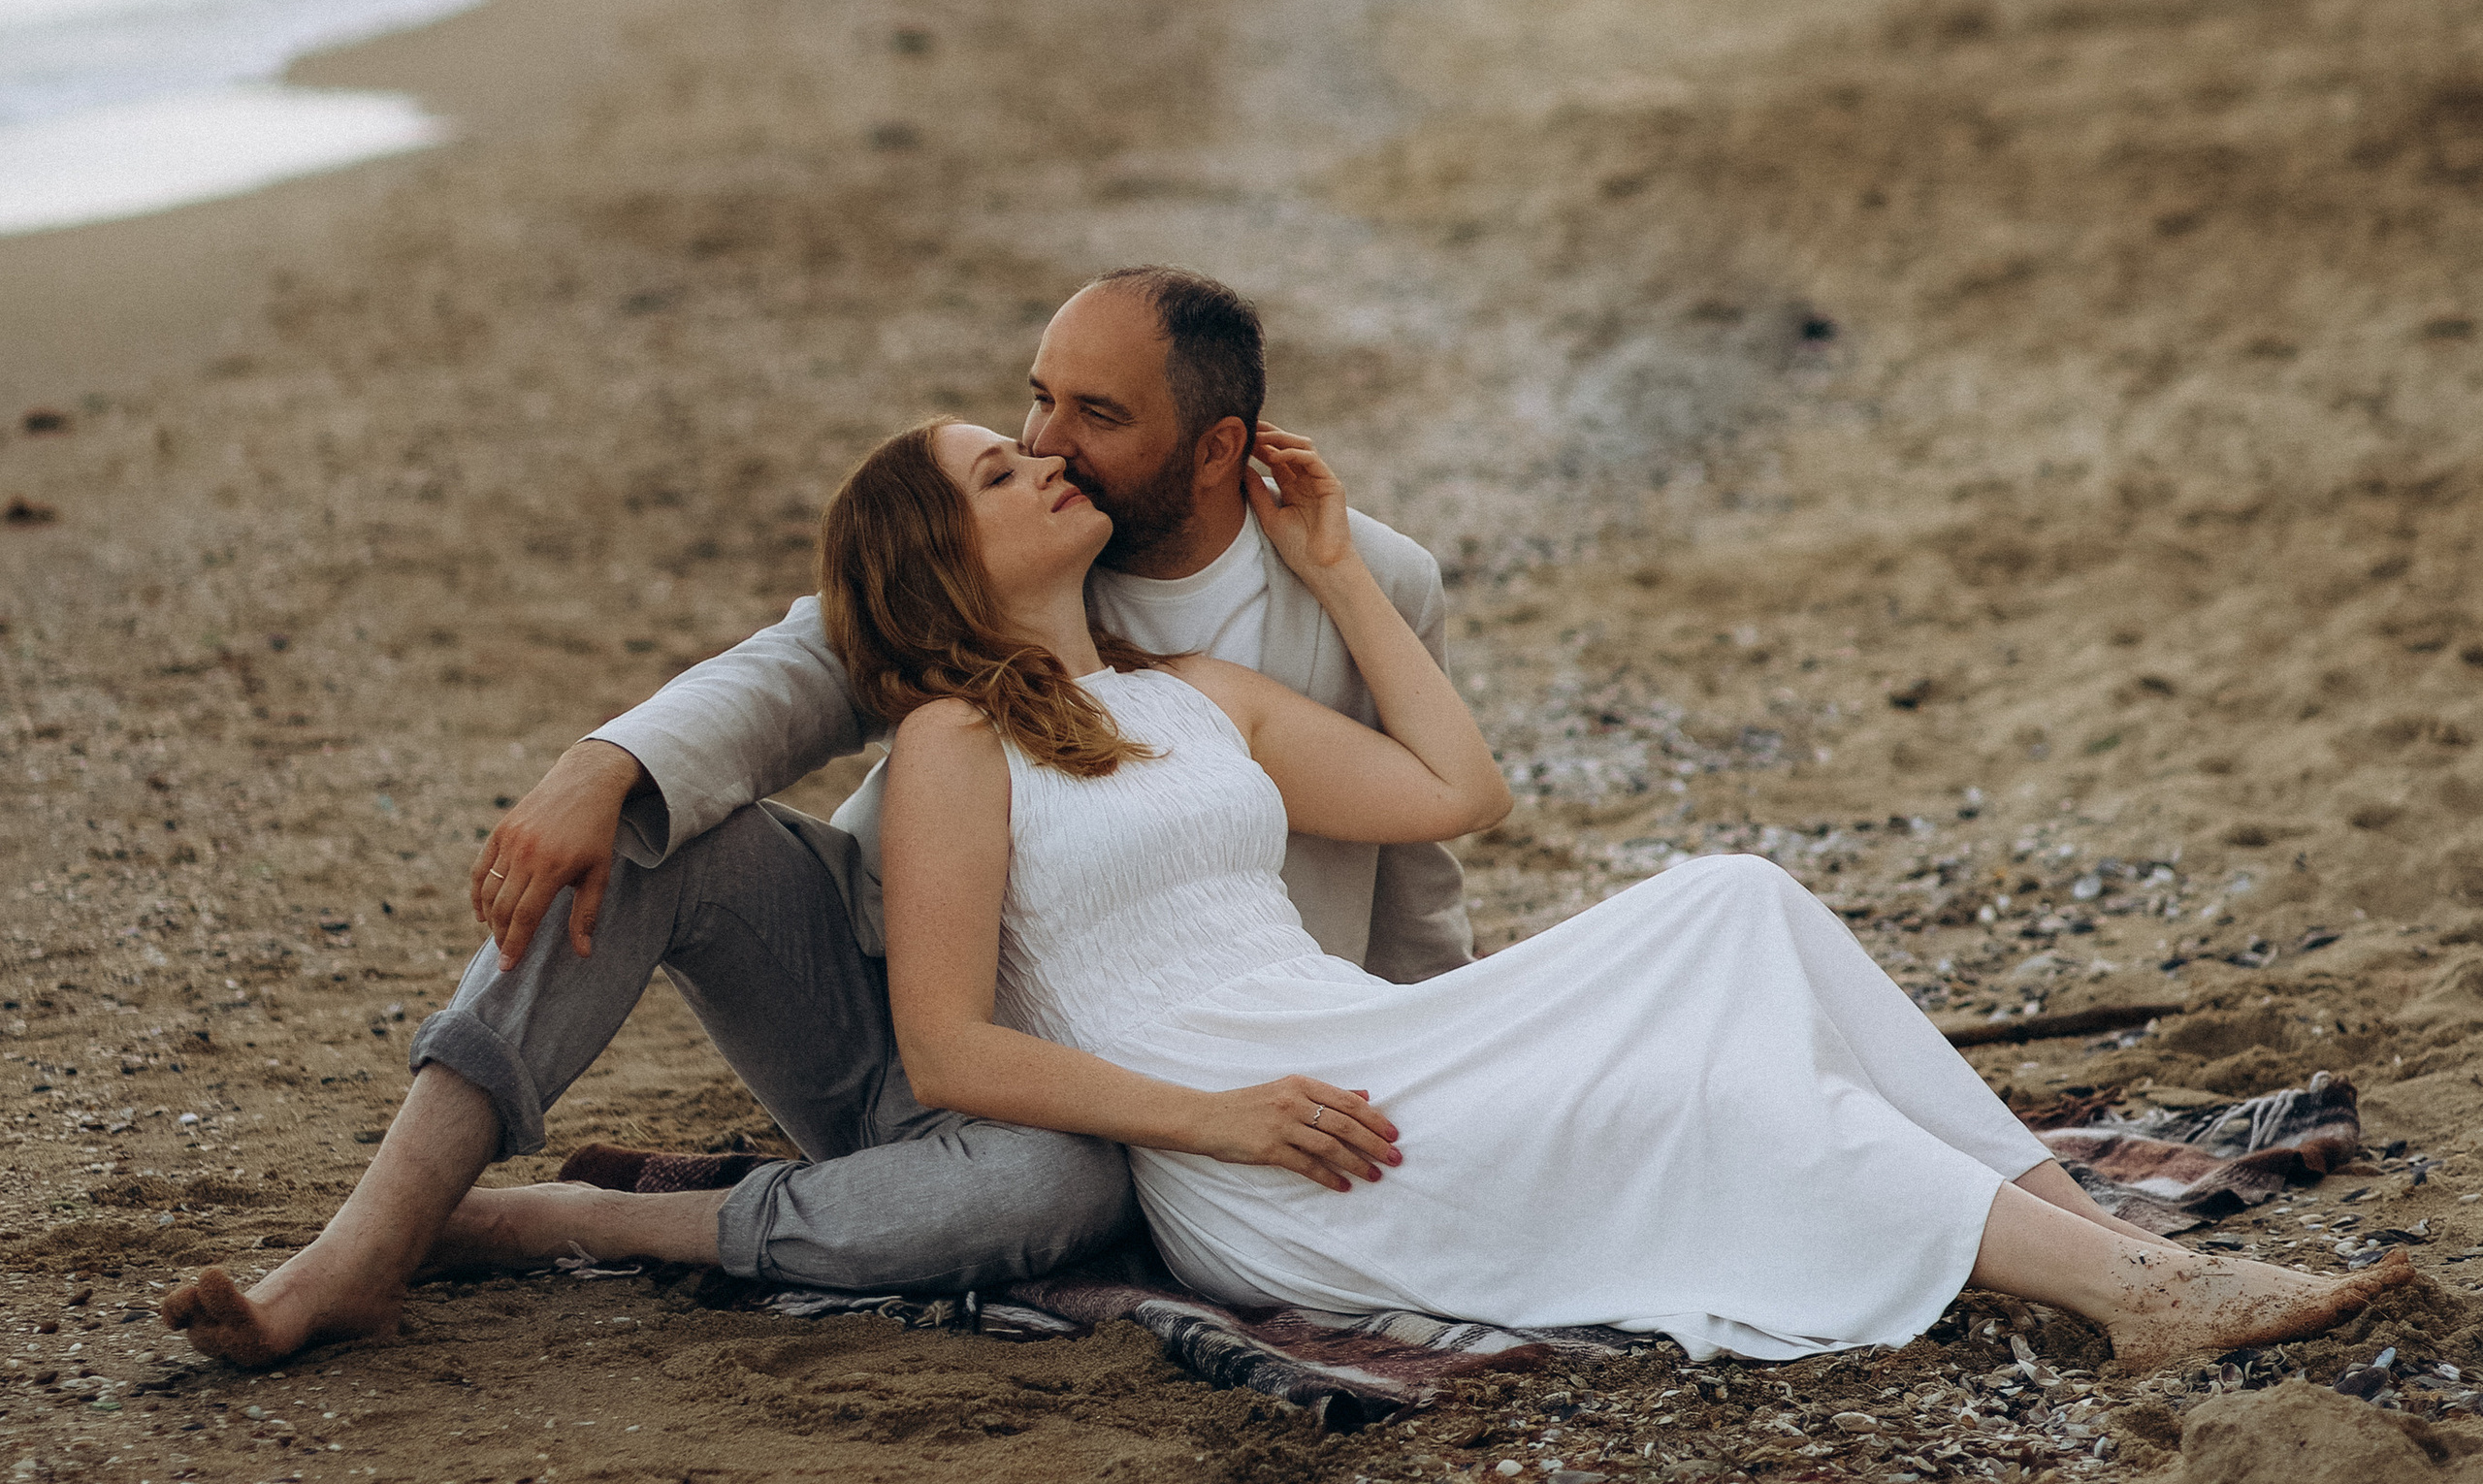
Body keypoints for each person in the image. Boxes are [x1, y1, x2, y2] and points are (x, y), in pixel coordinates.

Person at [839, 418, 2409, 1371]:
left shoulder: (1189, 692)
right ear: (938, 555)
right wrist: (1221, 1119)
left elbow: (1459, 792)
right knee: (1713, 1103)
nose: (1047, 463)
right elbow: (951, 1052)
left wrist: (1333, 571)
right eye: (1001, 467)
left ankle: (2074, 1232)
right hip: (1273, 1141)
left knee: (1736, 895)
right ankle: (2144, 1287)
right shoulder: (951, 745)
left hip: (1376, 1034)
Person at [161, 269, 1468, 1369]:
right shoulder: (1009, 548)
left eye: (1096, 415)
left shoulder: (1351, 581)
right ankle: (366, 1246)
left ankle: (584, 1219)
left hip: (1138, 1079)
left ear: (1217, 448)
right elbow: (796, 668)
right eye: (1037, 402)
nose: (1054, 444)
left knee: (1064, 1183)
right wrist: (601, 762)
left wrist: (1427, 1062)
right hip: (899, 1007)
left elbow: (1423, 852)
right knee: (646, 822)